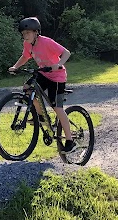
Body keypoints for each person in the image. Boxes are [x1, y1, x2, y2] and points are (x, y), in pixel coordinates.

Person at [8, 17, 75, 152]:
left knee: (57, 107)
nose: (25, 36)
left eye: (28, 33)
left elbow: (66, 53)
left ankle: (70, 140)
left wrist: (58, 64)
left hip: (57, 77)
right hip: (43, 73)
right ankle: (41, 116)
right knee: (27, 88)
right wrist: (15, 67)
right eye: (23, 33)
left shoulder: (46, 42)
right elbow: (25, 56)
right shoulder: (27, 44)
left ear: (36, 32)